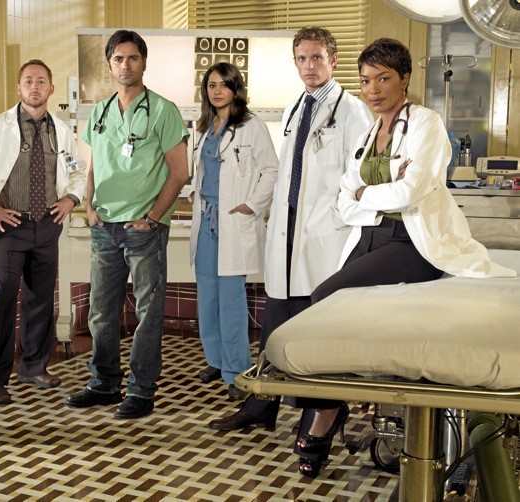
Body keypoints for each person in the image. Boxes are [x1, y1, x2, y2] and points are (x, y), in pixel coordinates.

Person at [285, 37, 515, 478]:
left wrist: (364, 193)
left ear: (404, 78)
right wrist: (369, 194)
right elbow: (343, 200)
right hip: (371, 234)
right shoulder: (369, 132)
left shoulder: (426, 123)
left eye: (383, 79)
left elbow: (412, 191)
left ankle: (324, 413)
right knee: (324, 303)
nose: (372, 90)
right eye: (365, 80)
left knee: (326, 296)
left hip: (413, 242)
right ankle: (331, 405)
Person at [208, 26, 372, 428]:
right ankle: (260, 407)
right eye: (301, 58)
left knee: (315, 330)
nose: (308, 66)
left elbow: (359, 177)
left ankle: (320, 410)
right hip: (288, 229)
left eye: (316, 57)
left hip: (323, 235)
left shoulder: (352, 111)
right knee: (275, 324)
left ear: (333, 60)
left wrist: (337, 219)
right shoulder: (295, 107)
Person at [65, 30, 190, 420]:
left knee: (147, 312)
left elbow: (180, 172)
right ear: (109, 65)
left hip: (143, 229)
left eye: (132, 58)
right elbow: (93, 165)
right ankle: (104, 383)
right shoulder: (100, 112)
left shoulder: (163, 110)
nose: (125, 65)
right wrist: (89, 206)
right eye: (118, 59)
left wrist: (152, 218)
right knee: (100, 311)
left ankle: (141, 390)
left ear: (144, 62)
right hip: (105, 226)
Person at [0, 59, 86, 405]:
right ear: (18, 88)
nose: (34, 87)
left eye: (41, 81)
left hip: (47, 224)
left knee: (40, 299)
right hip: (10, 226)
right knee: (2, 302)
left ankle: (33, 367)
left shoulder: (62, 131)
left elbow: (77, 169)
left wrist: (71, 198)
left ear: (51, 88)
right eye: (28, 81)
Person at [189, 62, 278, 400]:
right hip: (206, 221)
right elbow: (199, 171)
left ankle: (236, 369)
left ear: (235, 88)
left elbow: (271, 170)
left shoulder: (252, 126)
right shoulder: (204, 126)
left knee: (231, 299)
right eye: (211, 85)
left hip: (233, 219)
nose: (217, 91)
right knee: (207, 297)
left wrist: (251, 205)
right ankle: (216, 360)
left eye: (223, 85)